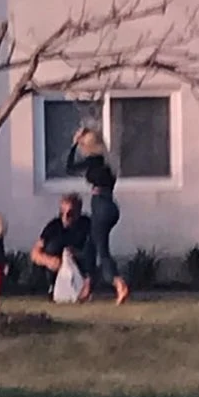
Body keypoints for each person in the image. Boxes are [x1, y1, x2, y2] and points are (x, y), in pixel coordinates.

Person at [66, 127, 130, 305]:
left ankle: (118, 283)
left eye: (82, 146)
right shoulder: (108, 162)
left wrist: (73, 145)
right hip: (109, 206)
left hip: (101, 207)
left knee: (102, 251)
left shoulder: (93, 161)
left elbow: (69, 168)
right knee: (90, 246)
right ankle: (88, 286)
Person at [30, 193, 95, 301]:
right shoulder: (53, 226)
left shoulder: (86, 224)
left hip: (80, 264)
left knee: (90, 248)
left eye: (70, 213)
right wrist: (48, 260)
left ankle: (86, 286)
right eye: (62, 213)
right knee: (52, 246)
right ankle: (51, 287)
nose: (66, 217)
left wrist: (76, 254)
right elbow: (35, 253)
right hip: (58, 267)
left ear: (78, 212)